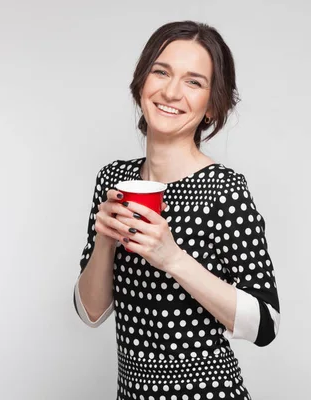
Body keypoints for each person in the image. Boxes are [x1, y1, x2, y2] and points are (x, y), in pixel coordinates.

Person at [73, 21, 280, 400]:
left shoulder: (224, 189)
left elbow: (265, 325)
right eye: (161, 71)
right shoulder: (113, 179)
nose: (171, 91)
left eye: (194, 82)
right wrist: (104, 242)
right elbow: (91, 313)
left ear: (211, 107)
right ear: (141, 84)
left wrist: (171, 258)